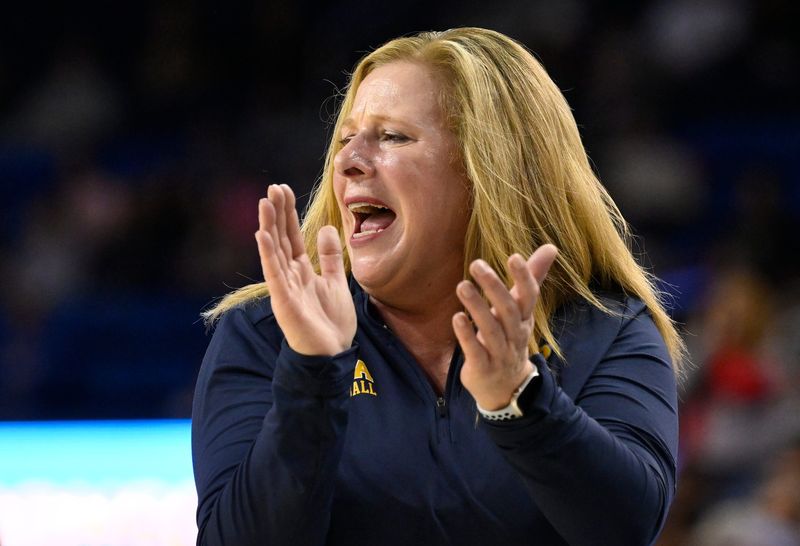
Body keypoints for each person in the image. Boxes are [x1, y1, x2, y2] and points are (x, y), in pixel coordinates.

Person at [191, 27, 684, 546]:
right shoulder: (266, 335)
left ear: (488, 169)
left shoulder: (604, 331)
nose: (347, 160)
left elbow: (626, 529)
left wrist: (519, 403)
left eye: (393, 136)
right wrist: (313, 371)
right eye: (345, 139)